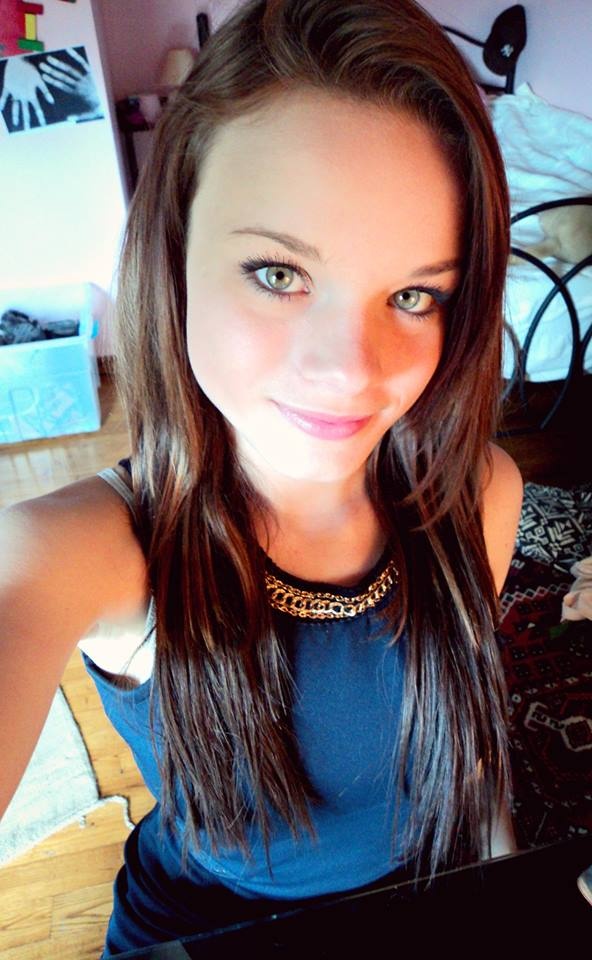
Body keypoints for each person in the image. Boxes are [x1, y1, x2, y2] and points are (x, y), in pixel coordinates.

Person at [0, 0, 524, 955]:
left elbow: (469, 750)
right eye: (279, 273)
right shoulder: (84, 551)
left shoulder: (482, 493)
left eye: (414, 295)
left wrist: (506, 891)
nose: (350, 370)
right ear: (174, 258)